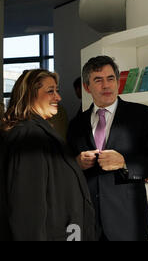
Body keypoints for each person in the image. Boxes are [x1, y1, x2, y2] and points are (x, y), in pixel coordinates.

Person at [67, 56, 148, 241]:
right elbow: (65, 167)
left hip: (128, 223)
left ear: (118, 81)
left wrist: (124, 163)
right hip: (88, 224)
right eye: (98, 80)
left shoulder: (142, 115)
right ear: (87, 87)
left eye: (110, 78)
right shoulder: (76, 124)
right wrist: (76, 163)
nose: (106, 85)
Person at [0, 69, 96, 241]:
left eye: (56, 90)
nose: (58, 97)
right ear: (30, 94)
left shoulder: (40, 132)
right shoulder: (29, 137)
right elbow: (27, 209)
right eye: (50, 91)